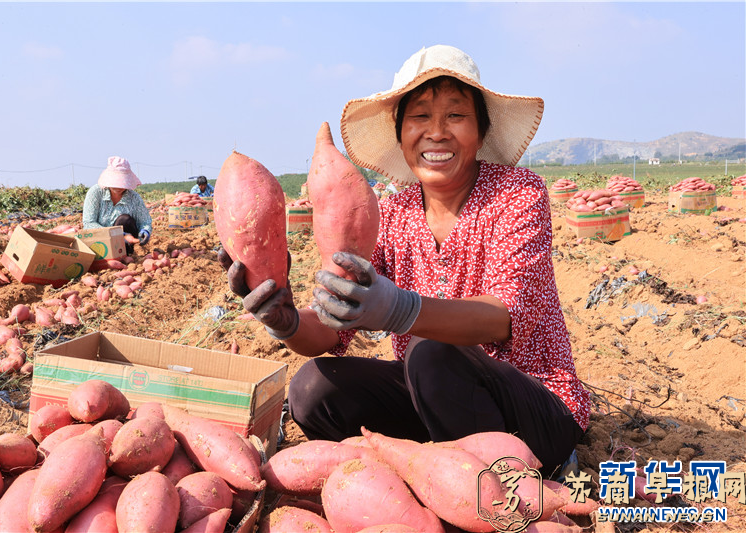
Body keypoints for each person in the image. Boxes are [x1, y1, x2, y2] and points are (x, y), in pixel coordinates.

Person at [219, 45, 590, 476]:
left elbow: (504, 317)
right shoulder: (393, 215)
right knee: (312, 388)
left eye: (455, 115)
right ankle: (436, 469)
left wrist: (401, 309)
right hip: (435, 396)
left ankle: (521, 474)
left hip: (533, 409)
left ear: (481, 132)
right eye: (419, 117)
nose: (436, 132)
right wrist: (288, 323)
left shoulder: (517, 193)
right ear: (400, 133)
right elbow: (334, 328)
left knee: (430, 352)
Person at [83, 156, 152, 254]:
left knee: (124, 219)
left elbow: (145, 221)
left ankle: (127, 253)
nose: (119, 187)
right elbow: (88, 223)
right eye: (116, 182)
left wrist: (145, 231)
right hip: (101, 242)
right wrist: (119, 235)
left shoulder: (134, 198)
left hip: (127, 242)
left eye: (122, 183)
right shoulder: (96, 193)